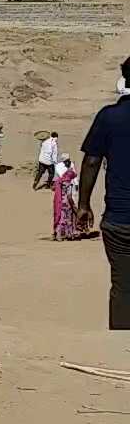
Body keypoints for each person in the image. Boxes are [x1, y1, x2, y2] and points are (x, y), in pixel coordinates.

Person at [76, 56, 130, 328]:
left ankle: (121, 340)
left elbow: (92, 160)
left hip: (119, 220)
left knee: (122, 285)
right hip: (119, 219)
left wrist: (83, 203)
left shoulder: (108, 117)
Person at [53, 154, 81, 241]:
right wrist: (72, 203)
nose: (68, 162)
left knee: (62, 217)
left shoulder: (71, 165)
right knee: (68, 217)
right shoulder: (59, 167)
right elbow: (68, 194)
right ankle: (68, 234)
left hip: (62, 200)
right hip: (67, 201)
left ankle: (61, 234)